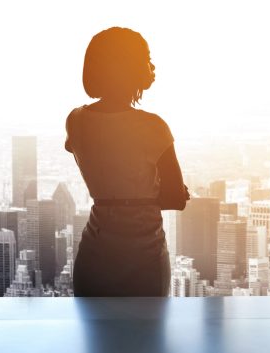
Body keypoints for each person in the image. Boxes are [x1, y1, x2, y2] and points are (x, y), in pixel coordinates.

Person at [65, 27, 189, 297]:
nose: (152, 65)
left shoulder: (75, 119)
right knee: (146, 336)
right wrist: (153, 190)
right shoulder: (153, 127)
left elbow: (80, 150)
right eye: (146, 57)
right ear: (127, 66)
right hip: (144, 254)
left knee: (95, 336)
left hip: (95, 252)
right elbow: (176, 198)